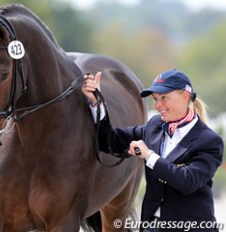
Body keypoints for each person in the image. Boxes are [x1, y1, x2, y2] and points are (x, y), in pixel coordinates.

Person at [82, 68, 224, 232]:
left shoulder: (209, 141)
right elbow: (110, 143)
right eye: (155, 99)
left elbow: (188, 182)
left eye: (164, 98)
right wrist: (97, 103)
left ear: (185, 96)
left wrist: (149, 156)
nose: (158, 105)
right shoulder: (154, 126)